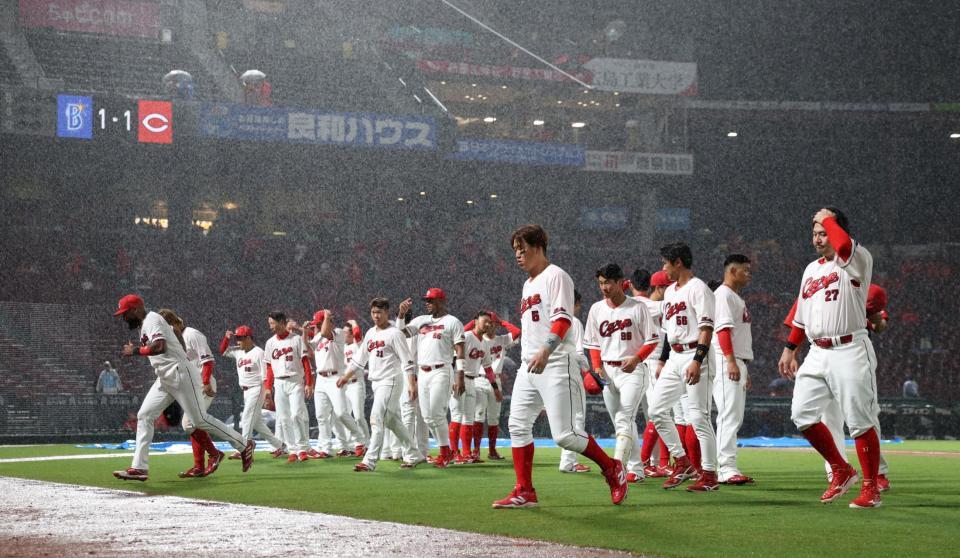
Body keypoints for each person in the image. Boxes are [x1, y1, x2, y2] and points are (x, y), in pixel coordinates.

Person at [493, 224, 627, 509]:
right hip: (529, 364)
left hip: (554, 361)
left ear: (538, 247)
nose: (518, 255)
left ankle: (612, 467)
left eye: (522, 249)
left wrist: (546, 349)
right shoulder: (528, 284)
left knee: (565, 435)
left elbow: (563, 319)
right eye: (515, 250)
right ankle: (525, 491)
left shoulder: (557, 276)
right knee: (517, 425)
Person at [778, 207, 883, 508]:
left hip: (850, 348)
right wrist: (790, 348)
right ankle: (841, 469)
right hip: (817, 351)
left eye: (824, 232)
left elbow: (844, 246)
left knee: (860, 421)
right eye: (814, 233)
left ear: (838, 231)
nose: (817, 239)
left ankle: (871, 488)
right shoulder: (811, 270)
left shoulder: (858, 257)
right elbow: (801, 315)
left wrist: (828, 218)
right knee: (802, 414)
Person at [112, 294, 253, 481]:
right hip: (165, 377)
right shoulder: (147, 323)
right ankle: (139, 468)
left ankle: (243, 444)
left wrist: (136, 351)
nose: (124, 317)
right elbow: (175, 337)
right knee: (144, 415)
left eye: (126, 313)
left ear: (136, 309)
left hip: (180, 374)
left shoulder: (152, 319)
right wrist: (178, 349)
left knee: (199, 420)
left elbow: (160, 347)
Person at [648, 242, 720, 492]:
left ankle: (709, 474)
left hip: (695, 354)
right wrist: (664, 360)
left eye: (666, 263)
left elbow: (706, 328)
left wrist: (697, 361)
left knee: (699, 417)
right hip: (675, 356)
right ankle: (682, 462)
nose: (663, 268)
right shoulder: (670, 292)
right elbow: (669, 331)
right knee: (656, 410)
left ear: (678, 262)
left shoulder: (699, 289)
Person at [584, 263, 660, 484]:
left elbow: (652, 340)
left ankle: (617, 467)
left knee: (624, 417)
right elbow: (593, 343)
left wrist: (636, 358)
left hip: (633, 371)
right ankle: (636, 468)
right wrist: (597, 366)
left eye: (608, 282)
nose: (604, 287)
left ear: (620, 282)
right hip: (607, 372)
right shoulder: (596, 309)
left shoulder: (637, 307)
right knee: (622, 423)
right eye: (601, 283)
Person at [337, 298, 425, 471]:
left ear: (386, 312)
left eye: (379, 312)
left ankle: (369, 461)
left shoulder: (395, 333)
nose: (376, 316)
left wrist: (411, 384)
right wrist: (346, 377)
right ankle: (414, 453)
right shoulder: (371, 333)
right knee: (392, 422)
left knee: (377, 419)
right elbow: (359, 359)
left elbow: (407, 361)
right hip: (377, 383)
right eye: (373, 312)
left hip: (391, 381)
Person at [396, 289, 466, 468]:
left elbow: (460, 350)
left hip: (441, 370)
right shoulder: (421, 320)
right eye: (426, 300)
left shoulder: (452, 321)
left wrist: (460, 375)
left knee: (436, 413)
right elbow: (401, 333)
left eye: (431, 300)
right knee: (427, 417)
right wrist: (401, 315)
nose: (427, 303)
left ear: (441, 301)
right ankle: (447, 451)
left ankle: (445, 452)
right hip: (423, 372)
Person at [158, 310, 225, 479]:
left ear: (173, 323)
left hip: (203, 384)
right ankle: (199, 467)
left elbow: (207, 360)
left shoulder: (192, 334)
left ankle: (215, 454)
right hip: (190, 386)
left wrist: (206, 382)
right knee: (194, 424)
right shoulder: (175, 339)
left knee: (189, 423)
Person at [711, 255, 755, 485]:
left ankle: (726, 466)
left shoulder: (733, 296)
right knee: (728, 415)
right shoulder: (724, 295)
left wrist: (742, 365)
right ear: (733, 271)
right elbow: (722, 331)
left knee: (733, 416)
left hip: (736, 360)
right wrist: (730, 361)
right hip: (726, 359)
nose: (748, 274)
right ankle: (725, 468)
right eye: (745, 270)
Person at [301, 310, 368, 458]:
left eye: (318, 324)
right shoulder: (319, 336)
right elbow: (309, 350)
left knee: (341, 413)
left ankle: (360, 440)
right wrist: (304, 333)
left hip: (335, 377)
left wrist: (326, 317)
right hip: (321, 378)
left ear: (328, 322)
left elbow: (326, 333)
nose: (317, 327)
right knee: (321, 415)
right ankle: (326, 448)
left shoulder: (338, 332)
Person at [220, 325, 286, 460]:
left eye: (240, 338)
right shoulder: (238, 351)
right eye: (237, 338)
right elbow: (222, 351)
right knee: (256, 423)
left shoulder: (259, 352)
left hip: (257, 388)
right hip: (246, 391)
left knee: (246, 419)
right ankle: (280, 446)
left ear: (249, 338)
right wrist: (226, 338)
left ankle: (243, 448)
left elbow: (265, 374)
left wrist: (267, 392)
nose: (238, 341)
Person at [633, 270, 673, 477]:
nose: (672, 290)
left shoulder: (638, 303)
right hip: (650, 364)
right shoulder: (646, 304)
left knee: (654, 415)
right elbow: (672, 305)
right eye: (669, 286)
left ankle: (654, 462)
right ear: (659, 287)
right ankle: (648, 462)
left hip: (645, 364)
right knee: (660, 412)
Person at [464, 311, 519, 460]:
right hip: (479, 379)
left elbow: (517, 333)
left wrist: (502, 321)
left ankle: (492, 451)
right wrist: (476, 320)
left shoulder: (502, 340)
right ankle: (476, 450)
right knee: (479, 415)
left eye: (493, 323)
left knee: (494, 418)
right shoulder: (478, 339)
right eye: (488, 322)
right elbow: (461, 333)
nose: (490, 326)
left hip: (496, 380)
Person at [263, 311, 314, 463]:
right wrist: (268, 387)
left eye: (272, 323)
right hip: (279, 382)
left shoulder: (296, 339)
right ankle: (292, 450)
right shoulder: (270, 343)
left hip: (295, 380)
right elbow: (269, 367)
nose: (271, 327)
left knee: (296, 414)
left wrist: (309, 383)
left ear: (282, 322)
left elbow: (305, 362)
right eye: (270, 324)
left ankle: (302, 448)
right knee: (284, 418)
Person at [451, 310, 500, 463]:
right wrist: (453, 379)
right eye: (485, 321)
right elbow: (452, 357)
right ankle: (454, 452)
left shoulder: (484, 343)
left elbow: (488, 368)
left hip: (473, 380)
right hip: (459, 378)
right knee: (457, 415)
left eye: (490, 322)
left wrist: (495, 388)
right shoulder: (466, 337)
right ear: (475, 321)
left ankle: (466, 453)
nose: (488, 324)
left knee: (469, 418)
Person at [558, 289, 595, 474]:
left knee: (564, 419)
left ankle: (567, 460)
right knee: (577, 417)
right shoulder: (573, 321)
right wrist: (588, 373)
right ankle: (569, 462)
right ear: (576, 304)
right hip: (570, 373)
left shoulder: (551, 319)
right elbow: (579, 354)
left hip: (552, 375)